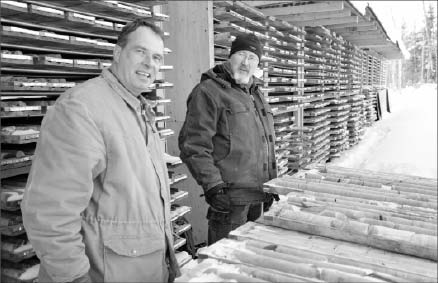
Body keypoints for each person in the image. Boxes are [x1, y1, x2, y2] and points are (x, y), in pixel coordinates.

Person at [21, 18, 180, 282]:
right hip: (104, 274)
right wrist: (73, 277)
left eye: (156, 57)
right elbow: (51, 211)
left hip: (142, 269)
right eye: (140, 51)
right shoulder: (82, 108)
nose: (149, 64)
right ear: (117, 53)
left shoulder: (138, 109)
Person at [178, 33, 278, 245]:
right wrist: (213, 186)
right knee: (223, 266)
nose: (246, 62)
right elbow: (193, 145)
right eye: (241, 54)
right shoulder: (209, 92)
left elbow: (264, 142)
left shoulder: (256, 94)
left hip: (258, 198)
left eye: (252, 58)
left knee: (248, 264)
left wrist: (272, 183)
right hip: (230, 203)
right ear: (229, 57)